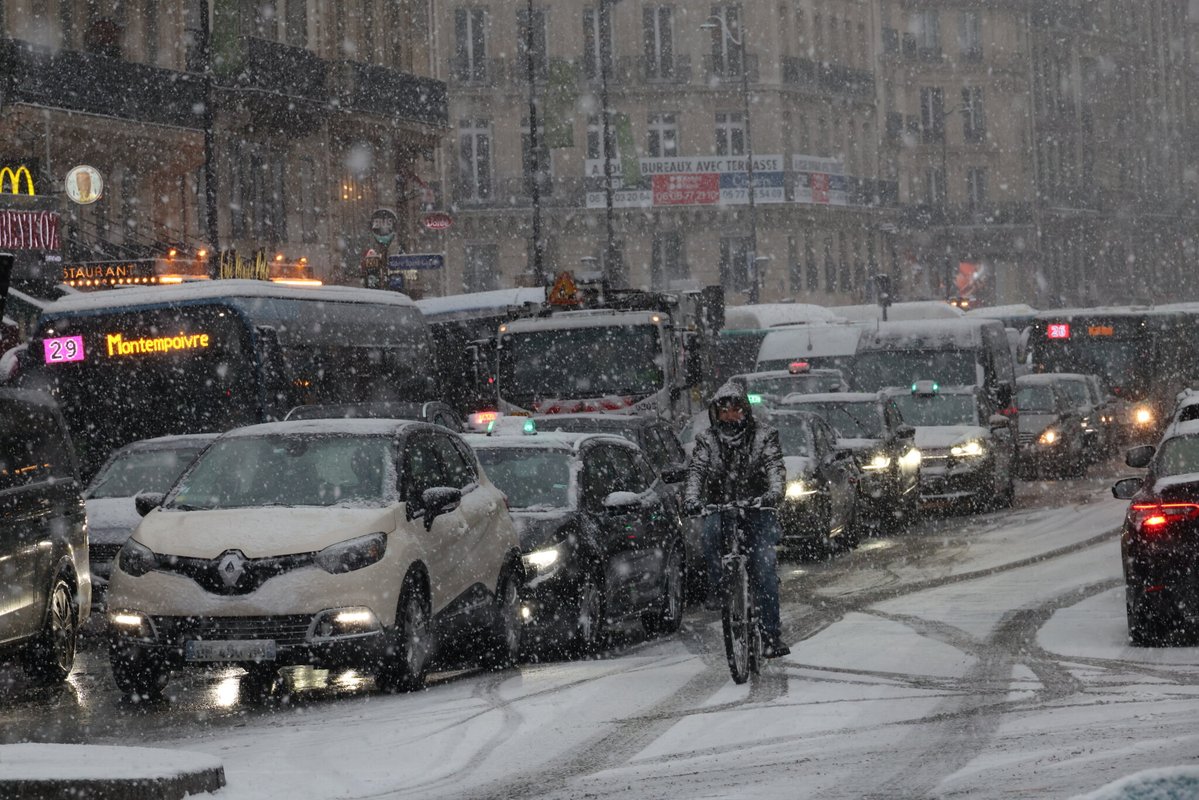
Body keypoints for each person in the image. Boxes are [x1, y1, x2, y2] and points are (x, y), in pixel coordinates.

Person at [684, 381, 789, 658]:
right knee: (710, 534)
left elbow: (774, 467)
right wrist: (692, 499)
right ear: (715, 414)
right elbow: (697, 471)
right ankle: (720, 589)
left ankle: (770, 635)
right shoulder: (707, 440)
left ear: (746, 410)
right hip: (721, 506)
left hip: (756, 508)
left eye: (736, 410)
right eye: (724, 411)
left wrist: (773, 494)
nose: (730, 416)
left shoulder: (764, 436)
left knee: (764, 568)